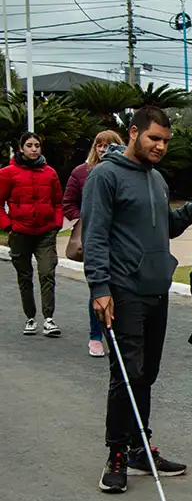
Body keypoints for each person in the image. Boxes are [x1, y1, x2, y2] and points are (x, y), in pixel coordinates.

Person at [81, 106, 192, 494]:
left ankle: (138, 448)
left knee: (146, 373)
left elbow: (168, 227)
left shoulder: (157, 179)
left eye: (165, 141)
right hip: (122, 290)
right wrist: (100, 288)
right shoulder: (105, 176)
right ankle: (116, 455)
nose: (160, 146)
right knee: (127, 373)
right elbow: (95, 235)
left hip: (155, 289)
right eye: (154, 139)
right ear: (134, 133)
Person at [64, 130, 124, 357]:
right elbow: (68, 203)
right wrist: (85, 218)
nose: (102, 149)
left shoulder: (124, 172)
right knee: (98, 287)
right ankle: (95, 336)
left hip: (118, 240)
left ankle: (116, 335)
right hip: (93, 239)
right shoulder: (82, 172)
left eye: (108, 145)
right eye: (99, 145)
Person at [0, 132, 63, 337]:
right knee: (24, 276)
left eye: (37, 145)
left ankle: (49, 319)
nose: (34, 149)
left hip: (45, 232)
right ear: (21, 148)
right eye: (29, 145)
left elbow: (58, 202)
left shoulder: (50, 173)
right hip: (20, 233)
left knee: (47, 272)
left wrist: (57, 223)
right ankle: (30, 317)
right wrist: (8, 225)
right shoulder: (8, 173)